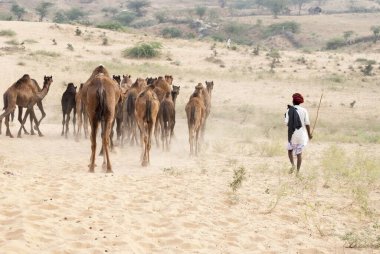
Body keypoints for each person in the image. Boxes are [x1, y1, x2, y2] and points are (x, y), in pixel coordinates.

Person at [284, 93, 312, 175]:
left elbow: (286, 123)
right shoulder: (304, 110)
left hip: (292, 135)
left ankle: (292, 165)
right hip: (301, 135)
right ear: (300, 102)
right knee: (299, 153)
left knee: (290, 150)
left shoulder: (289, 110)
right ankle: (298, 172)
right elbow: (307, 123)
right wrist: (309, 134)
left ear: (293, 101)